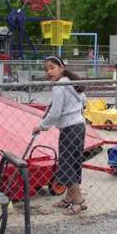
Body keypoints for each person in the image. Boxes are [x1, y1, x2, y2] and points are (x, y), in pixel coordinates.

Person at [32, 56, 87, 215]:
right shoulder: (70, 83)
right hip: (79, 127)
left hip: (69, 130)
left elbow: (55, 113)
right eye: (46, 69)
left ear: (62, 68)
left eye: (52, 67)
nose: (49, 71)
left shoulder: (59, 86)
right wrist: (74, 109)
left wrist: (41, 126)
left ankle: (79, 201)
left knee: (66, 165)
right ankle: (69, 198)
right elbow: (84, 101)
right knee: (74, 162)